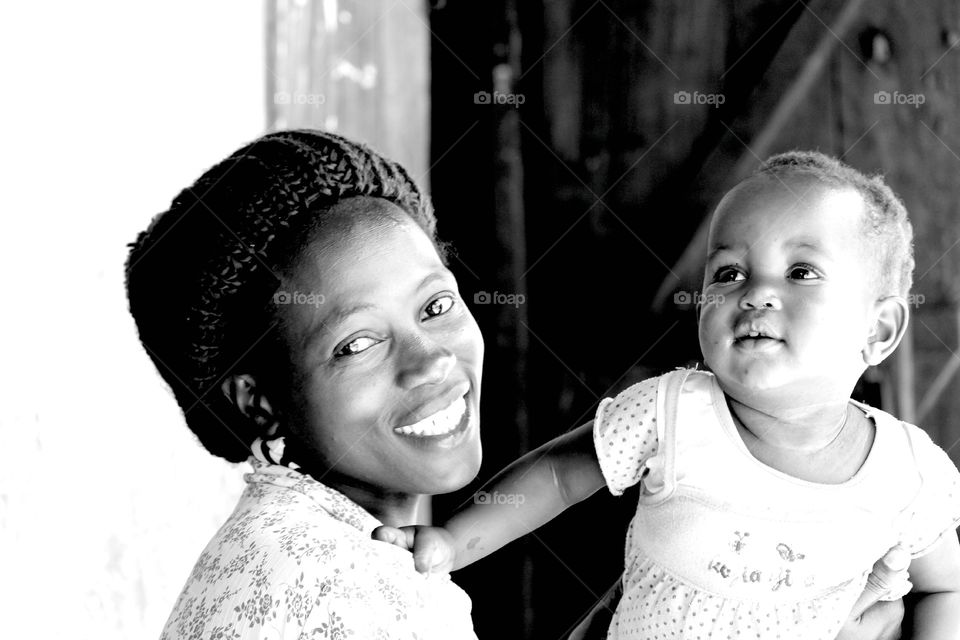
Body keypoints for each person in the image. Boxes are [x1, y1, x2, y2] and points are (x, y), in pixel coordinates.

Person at [374, 151, 960, 639]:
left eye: (801, 272)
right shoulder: (674, 412)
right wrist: (452, 542)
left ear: (877, 330)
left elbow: (945, 587)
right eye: (728, 273)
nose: (755, 293)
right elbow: (558, 475)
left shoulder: (908, 476)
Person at [125, 130, 483, 639]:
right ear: (259, 404)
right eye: (358, 344)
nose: (431, 361)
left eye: (436, 306)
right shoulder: (328, 579)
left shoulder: (298, 546)